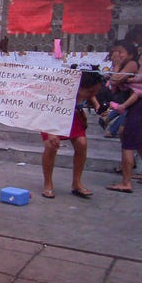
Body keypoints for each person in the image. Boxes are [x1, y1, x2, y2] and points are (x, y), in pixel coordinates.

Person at [105, 40, 142, 192]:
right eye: (115, 52)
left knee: (128, 145)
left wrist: (116, 65)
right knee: (140, 144)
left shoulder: (132, 65)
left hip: (138, 106)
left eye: (121, 52)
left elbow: (116, 79)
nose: (117, 55)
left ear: (130, 53)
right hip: (138, 106)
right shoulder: (131, 64)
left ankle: (126, 182)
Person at [40, 70, 103, 200]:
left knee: (82, 143)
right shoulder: (59, 89)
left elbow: (91, 95)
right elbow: (46, 108)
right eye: (91, 91)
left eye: (95, 92)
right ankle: (48, 183)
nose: (93, 94)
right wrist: (51, 132)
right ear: (79, 87)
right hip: (50, 115)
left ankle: (77, 182)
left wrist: (97, 106)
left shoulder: (88, 91)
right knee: (51, 146)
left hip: (73, 116)